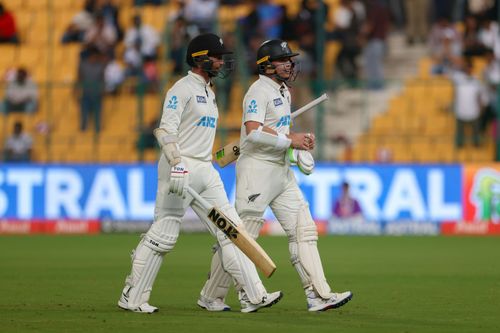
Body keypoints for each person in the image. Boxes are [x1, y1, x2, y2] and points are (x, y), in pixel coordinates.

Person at [117, 33, 282, 314]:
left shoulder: (209, 91)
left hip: (205, 169)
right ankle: (132, 297)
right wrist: (177, 161)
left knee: (232, 230)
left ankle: (254, 295)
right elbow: (165, 130)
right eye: (216, 57)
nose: (221, 62)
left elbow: (198, 135)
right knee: (164, 234)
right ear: (199, 59)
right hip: (178, 168)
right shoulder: (180, 89)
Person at [198, 39, 353, 312]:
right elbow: (254, 131)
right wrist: (291, 139)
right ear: (267, 66)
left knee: (303, 229)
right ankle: (216, 294)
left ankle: (318, 294)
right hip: (256, 171)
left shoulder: (283, 90)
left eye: (290, 60)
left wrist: (296, 149)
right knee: (242, 238)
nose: (290, 65)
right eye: (284, 61)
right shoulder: (257, 91)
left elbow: (276, 133)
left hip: (280, 171)